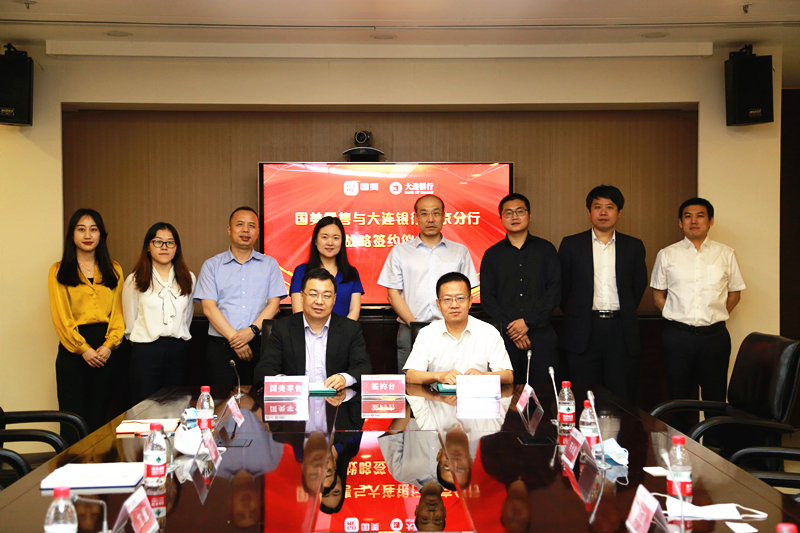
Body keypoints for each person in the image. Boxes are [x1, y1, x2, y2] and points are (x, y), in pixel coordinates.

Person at [558, 185, 648, 403]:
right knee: (583, 395)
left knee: (621, 396)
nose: (603, 212)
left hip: (621, 330)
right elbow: (563, 287)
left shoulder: (633, 246)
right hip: (583, 330)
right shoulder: (572, 244)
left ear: (619, 212)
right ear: (589, 212)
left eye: (609, 207)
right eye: (598, 207)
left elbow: (638, 286)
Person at [651, 197, 745, 404]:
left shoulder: (726, 254)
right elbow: (658, 296)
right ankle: (680, 428)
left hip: (714, 338)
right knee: (678, 397)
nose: (693, 221)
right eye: (688, 216)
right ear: (680, 222)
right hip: (677, 337)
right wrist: (678, 315)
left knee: (715, 398)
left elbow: (735, 294)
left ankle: (714, 428)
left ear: (710, 221)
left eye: (700, 216)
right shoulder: (667, 254)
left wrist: (714, 315)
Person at [378, 194, 479, 370]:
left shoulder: (459, 252)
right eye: (424, 214)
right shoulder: (400, 251)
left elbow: (467, 293)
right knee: (410, 382)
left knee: (452, 381)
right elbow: (393, 294)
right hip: (410, 330)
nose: (430, 219)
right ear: (416, 217)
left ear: (444, 216)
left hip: (452, 330)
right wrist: (415, 326)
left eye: (436, 213)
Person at [48, 208, 123, 443]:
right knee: (72, 419)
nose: (88, 235)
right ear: (72, 235)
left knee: (100, 417)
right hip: (73, 351)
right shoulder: (58, 270)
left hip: (106, 351)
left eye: (93, 229)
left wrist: (110, 345)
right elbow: (61, 317)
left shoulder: (114, 269)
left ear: (101, 235)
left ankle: (99, 464)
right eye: (81, 229)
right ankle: (70, 465)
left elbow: (119, 313)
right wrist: (84, 349)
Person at [194, 206, 287, 386]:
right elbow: (209, 308)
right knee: (222, 398)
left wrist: (251, 331)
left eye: (251, 226)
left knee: (258, 399)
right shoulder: (211, 266)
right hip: (221, 346)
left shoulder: (270, 264)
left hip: (259, 344)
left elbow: (274, 305)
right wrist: (237, 340)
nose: (246, 230)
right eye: (240, 224)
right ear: (229, 229)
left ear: (257, 232)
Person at [481, 193, 561, 385]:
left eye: (520, 211)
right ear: (501, 218)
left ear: (530, 215)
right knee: (505, 394)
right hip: (504, 339)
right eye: (508, 213)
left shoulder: (546, 250)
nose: (514, 217)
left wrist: (527, 322)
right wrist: (513, 329)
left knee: (543, 391)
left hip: (541, 335)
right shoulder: (492, 255)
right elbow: (488, 298)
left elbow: (555, 291)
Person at [254, 268, 373, 388]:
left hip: (337, 398)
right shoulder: (282, 328)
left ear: (334, 299)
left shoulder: (350, 328)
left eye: (326, 296)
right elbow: (264, 370)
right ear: (301, 296)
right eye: (313, 294)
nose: (319, 301)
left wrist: (344, 379)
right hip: (295, 398)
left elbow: (364, 367)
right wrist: (288, 384)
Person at [122, 223, 196, 404]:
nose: (164, 247)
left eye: (170, 242)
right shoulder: (135, 279)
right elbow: (130, 321)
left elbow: (187, 317)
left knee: (177, 406)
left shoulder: (188, 278)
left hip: (178, 351)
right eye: (158, 242)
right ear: (148, 246)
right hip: (145, 352)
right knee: (144, 406)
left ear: (176, 248)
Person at [404, 272, 514, 385]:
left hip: (479, 395)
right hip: (436, 395)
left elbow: (508, 376)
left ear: (470, 301)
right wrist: (439, 376)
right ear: (438, 304)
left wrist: (484, 375)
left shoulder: (489, 332)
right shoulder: (427, 334)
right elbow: (411, 376)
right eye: (447, 299)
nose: (454, 305)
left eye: (460, 298)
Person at [290, 216, 363, 320]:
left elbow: (354, 310)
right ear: (315, 240)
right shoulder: (301, 271)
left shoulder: (351, 273)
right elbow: (297, 310)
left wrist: (343, 330)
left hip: (344, 330)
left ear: (342, 242)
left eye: (336, 238)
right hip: (308, 330)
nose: (330, 242)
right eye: (324, 237)